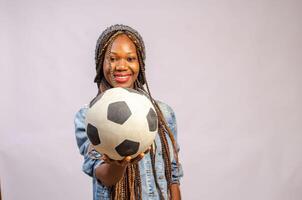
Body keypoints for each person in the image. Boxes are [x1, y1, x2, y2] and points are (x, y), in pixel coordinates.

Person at [74, 24, 183, 200]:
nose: (121, 66)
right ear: (101, 62)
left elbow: (173, 176)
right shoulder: (89, 117)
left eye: (130, 59)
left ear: (140, 63)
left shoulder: (163, 113)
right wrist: (118, 165)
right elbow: (103, 176)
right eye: (113, 59)